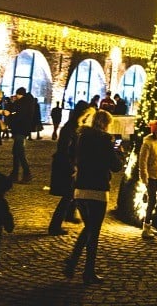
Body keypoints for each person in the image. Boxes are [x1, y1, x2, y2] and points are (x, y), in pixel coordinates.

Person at [63, 109, 122, 285]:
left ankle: (72, 262)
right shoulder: (105, 140)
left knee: (89, 227)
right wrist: (119, 151)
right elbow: (116, 166)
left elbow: (71, 156)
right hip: (97, 189)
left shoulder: (81, 136)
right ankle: (88, 272)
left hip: (80, 188)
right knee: (93, 232)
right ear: (105, 124)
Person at [48, 101, 94, 235]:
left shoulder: (75, 127)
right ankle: (54, 226)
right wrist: (72, 166)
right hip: (66, 165)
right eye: (86, 115)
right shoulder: (70, 128)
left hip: (70, 163)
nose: (87, 119)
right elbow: (64, 149)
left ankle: (69, 214)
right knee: (68, 195)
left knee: (73, 192)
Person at [139, 119, 157, 238]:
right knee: (152, 201)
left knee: (154, 200)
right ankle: (146, 227)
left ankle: (149, 224)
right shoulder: (147, 143)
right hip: (151, 176)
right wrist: (144, 177)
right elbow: (143, 161)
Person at [7, 86, 36, 183]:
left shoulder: (22, 104)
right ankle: (14, 174)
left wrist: (11, 115)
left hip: (20, 130)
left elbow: (18, 116)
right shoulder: (28, 103)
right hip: (22, 130)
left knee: (19, 152)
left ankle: (27, 173)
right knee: (16, 152)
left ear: (20, 95)